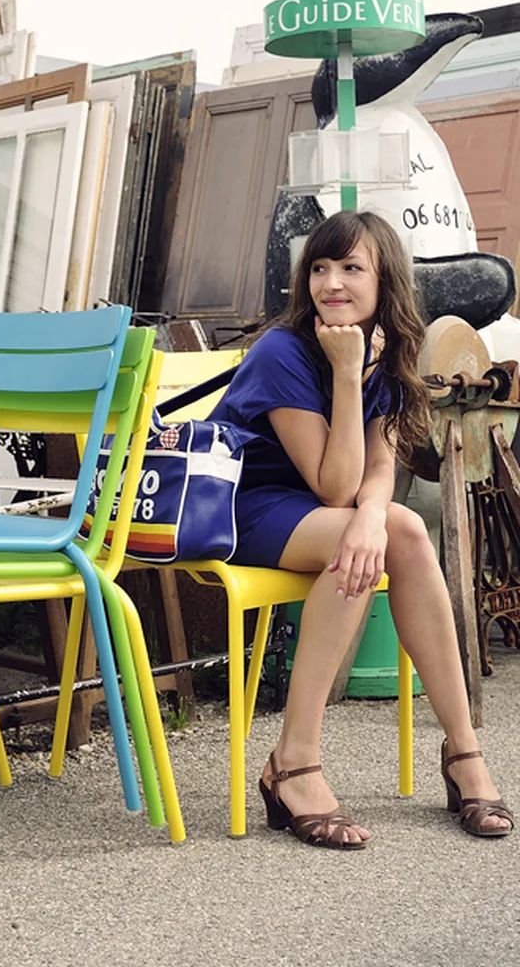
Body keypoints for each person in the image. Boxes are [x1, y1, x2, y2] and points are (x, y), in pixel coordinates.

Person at [209, 209, 512, 848]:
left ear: (384, 281)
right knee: (377, 535)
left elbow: (377, 470)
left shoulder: (388, 352)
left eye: (351, 268)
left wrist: (373, 515)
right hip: (242, 506)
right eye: (319, 268)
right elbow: (333, 485)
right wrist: (347, 376)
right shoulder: (284, 352)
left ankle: (462, 749)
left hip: (317, 513)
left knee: (400, 529)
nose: (331, 283)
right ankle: (295, 762)